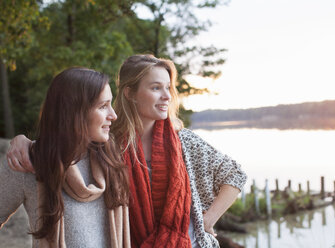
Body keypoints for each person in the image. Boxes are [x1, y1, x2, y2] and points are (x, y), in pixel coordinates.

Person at [7, 55, 247, 248]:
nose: (166, 96)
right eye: (156, 88)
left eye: (168, 88)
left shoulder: (183, 142)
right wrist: (26, 143)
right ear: (130, 93)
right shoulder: (107, 144)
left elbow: (234, 174)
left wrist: (208, 219)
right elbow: (67, 139)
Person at [1, 67, 130, 248]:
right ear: (74, 111)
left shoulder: (113, 159)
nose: (113, 115)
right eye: (103, 106)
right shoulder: (29, 163)